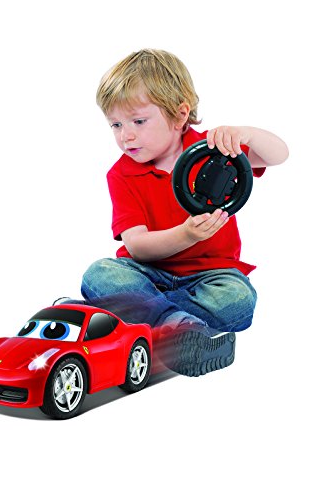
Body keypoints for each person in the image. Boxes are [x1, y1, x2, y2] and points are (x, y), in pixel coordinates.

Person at [77, 49, 288, 376]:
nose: (125, 135)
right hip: (146, 272)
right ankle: (177, 328)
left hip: (211, 274)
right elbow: (137, 246)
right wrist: (186, 234)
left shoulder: (215, 152)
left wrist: (244, 134)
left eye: (138, 121)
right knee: (100, 274)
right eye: (115, 124)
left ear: (179, 115)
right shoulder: (121, 174)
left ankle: (135, 319)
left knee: (238, 300)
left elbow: (278, 155)